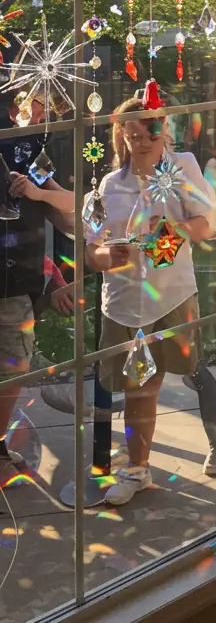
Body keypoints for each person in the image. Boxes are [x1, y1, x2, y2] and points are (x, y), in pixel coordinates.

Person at [86, 97, 216, 505]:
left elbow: (208, 223)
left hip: (170, 297)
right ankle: (137, 466)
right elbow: (93, 250)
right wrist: (109, 257)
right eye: (134, 133)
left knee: (148, 385)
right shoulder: (109, 185)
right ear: (122, 135)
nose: (143, 141)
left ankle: (136, 466)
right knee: (138, 387)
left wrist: (174, 230)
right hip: (123, 302)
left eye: (151, 131)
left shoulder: (184, 167)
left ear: (165, 129)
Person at [0, 94, 75, 485]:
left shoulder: (32, 155)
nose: (46, 113)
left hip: (17, 285)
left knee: (13, 367)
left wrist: (41, 193)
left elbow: (67, 215)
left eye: (49, 105)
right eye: (39, 103)